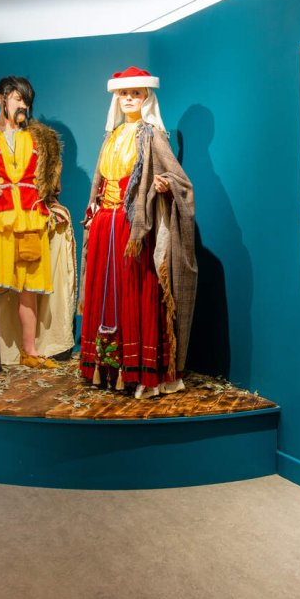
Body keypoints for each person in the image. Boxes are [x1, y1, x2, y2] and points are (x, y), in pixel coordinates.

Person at [79, 66, 197, 399]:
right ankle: (108, 369)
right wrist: (93, 210)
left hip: (133, 229)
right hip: (105, 225)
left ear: (146, 97)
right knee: (106, 294)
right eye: (124, 94)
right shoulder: (112, 136)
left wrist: (165, 185)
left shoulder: (152, 135)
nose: (129, 99)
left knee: (134, 292)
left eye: (136, 94)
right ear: (116, 98)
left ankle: (142, 371)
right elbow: (99, 184)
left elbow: (181, 181)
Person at [0, 76, 75, 374]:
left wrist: (53, 208)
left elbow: (49, 188)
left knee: (28, 289)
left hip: (31, 221)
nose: (24, 105)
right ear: (0, 99)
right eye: (18, 98)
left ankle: (29, 351)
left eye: (27, 100)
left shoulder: (38, 140)